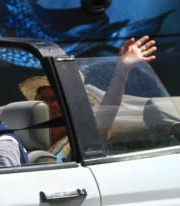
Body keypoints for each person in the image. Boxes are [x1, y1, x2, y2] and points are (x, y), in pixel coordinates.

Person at [19, 36, 157, 162]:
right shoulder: (26, 138)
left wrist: (122, 71)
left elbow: (107, 112)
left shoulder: (83, 138)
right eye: (43, 98)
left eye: (56, 99)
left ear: (71, 104)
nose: (49, 104)